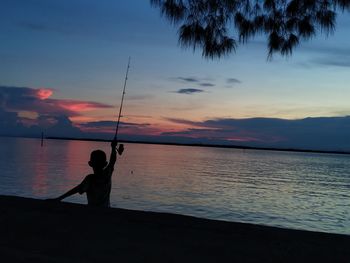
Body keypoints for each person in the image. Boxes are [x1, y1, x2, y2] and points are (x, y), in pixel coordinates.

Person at [50, 140, 124, 207]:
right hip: (106, 211)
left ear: (90, 163)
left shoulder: (90, 179)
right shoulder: (107, 174)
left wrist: (59, 198)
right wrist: (113, 148)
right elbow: (112, 161)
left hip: (92, 213)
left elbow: (76, 190)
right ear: (105, 164)